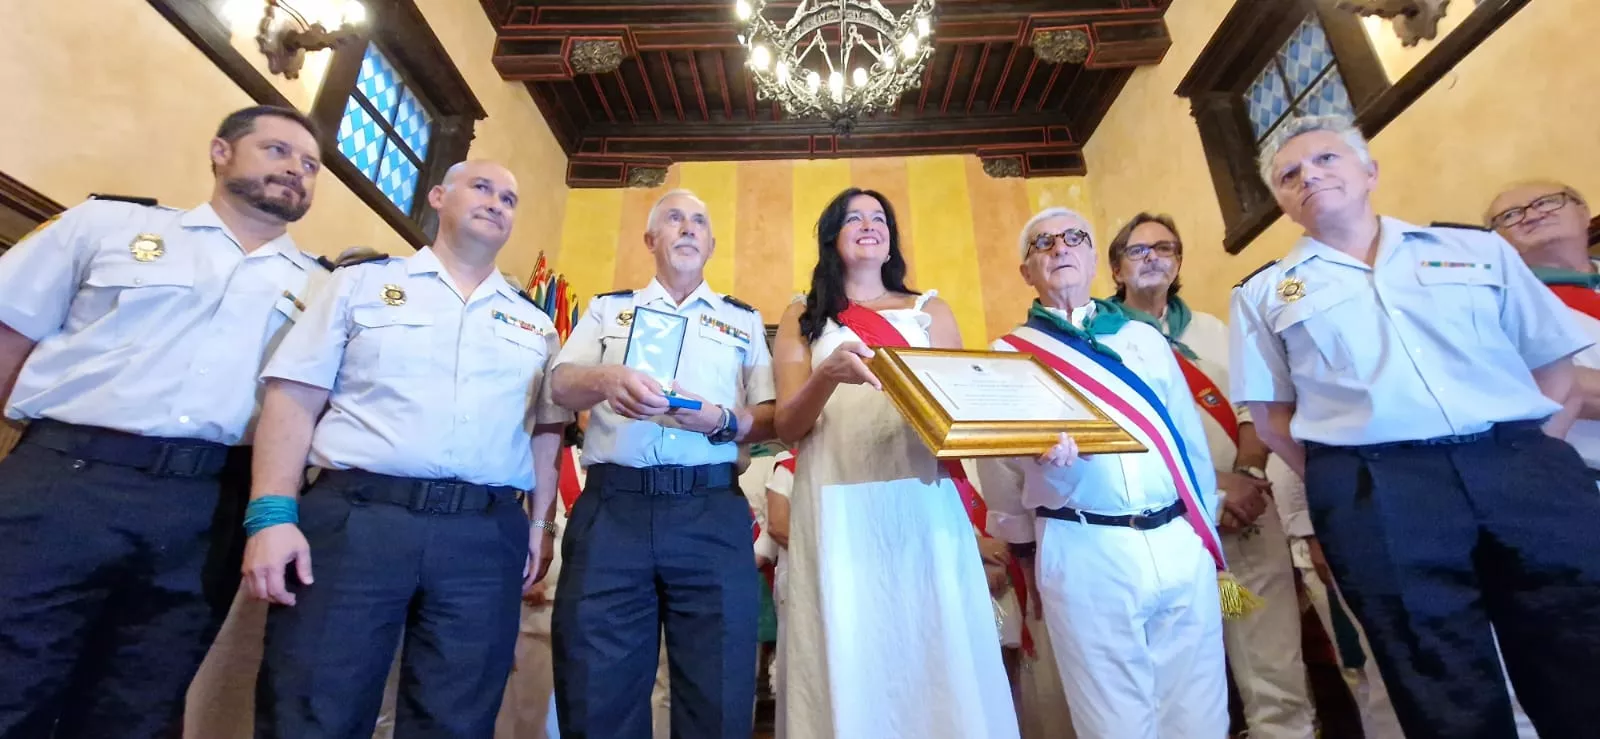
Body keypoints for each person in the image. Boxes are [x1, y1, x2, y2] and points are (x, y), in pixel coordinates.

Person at [1231, 114, 1600, 738]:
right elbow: (1272, 418)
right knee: (1437, 677)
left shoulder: (1475, 250)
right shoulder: (1265, 293)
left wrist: (1526, 449)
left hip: (1518, 463)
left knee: (1580, 645)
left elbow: (1550, 361)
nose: (1309, 177)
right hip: (1379, 486)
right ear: (1283, 203)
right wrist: (1349, 475)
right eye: (1290, 175)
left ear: (1370, 172)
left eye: (1326, 159)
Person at [0, 104, 326, 738]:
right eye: (277, 151)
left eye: (310, 165)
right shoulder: (109, 225)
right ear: (221, 151)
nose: (296, 169)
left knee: (143, 698)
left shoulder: (323, 288)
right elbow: (11, 335)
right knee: (12, 671)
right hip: (68, 477)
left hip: (208, 502)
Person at [244, 160, 569, 738]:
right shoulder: (360, 284)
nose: (496, 203)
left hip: (483, 534)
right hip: (358, 520)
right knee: (315, 703)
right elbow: (294, 395)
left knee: (457, 716)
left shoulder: (534, 323)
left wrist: (539, 527)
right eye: (482, 188)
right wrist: (271, 513)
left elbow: (545, 433)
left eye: (509, 199)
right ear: (439, 197)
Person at [771, 187, 1019, 739]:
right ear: (831, 237)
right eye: (853, 217)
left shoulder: (929, 310)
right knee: (850, 643)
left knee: (933, 637)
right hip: (835, 500)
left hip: (920, 500)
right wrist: (826, 376)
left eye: (879, 217)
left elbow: (962, 413)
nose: (869, 224)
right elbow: (787, 425)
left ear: (891, 239)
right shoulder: (802, 316)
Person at [979, 206, 1231, 739]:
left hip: (1176, 538)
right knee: (1114, 722)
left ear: (1095, 258)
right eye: (1042, 243)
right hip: (1082, 546)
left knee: (1201, 714)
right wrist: (1027, 550)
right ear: (1026, 271)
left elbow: (1188, 439)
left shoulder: (1144, 338)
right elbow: (999, 471)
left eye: (1074, 238)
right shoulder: (1008, 354)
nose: (1059, 248)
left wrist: (1202, 529)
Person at [549, 188, 776, 739]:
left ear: (711, 244)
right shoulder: (608, 310)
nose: (688, 227)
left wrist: (719, 419)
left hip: (709, 509)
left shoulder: (743, 321)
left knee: (719, 694)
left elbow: (771, 418)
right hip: (614, 511)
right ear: (651, 239)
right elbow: (560, 385)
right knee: (597, 691)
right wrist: (604, 378)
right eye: (674, 218)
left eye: (699, 221)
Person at [1106, 213, 1315, 739]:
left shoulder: (1213, 330)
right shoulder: (1102, 340)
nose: (1153, 257)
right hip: (1168, 526)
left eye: (1164, 248)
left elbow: (1254, 408)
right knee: (1181, 678)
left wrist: (1246, 474)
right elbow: (1122, 437)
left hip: (1246, 515)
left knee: (1273, 662)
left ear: (1179, 261)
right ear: (1115, 268)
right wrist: (1212, 492)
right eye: (1138, 250)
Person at [1488, 182, 1600, 475]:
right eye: (1511, 215)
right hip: (1581, 477)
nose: (1532, 215)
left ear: (1584, 213)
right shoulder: (1495, 301)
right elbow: (1557, 386)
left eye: (1548, 202)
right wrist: (1574, 383)